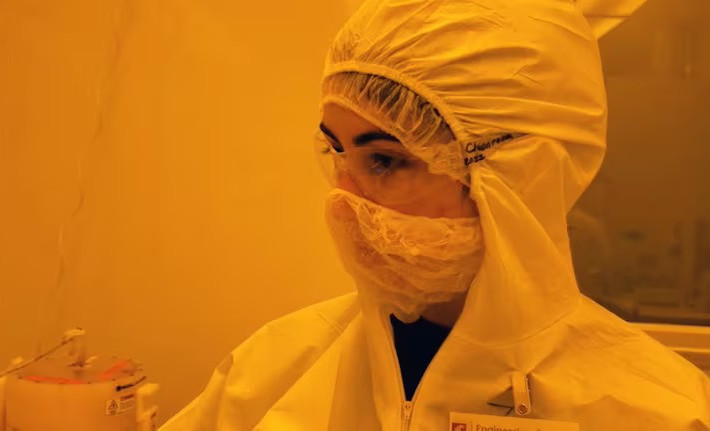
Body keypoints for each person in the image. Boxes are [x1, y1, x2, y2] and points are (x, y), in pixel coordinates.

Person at [161, 0, 710, 429]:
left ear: (517, 177)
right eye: (336, 154)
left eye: (385, 160)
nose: (343, 201)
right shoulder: (272, 370)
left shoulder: (656, 411)